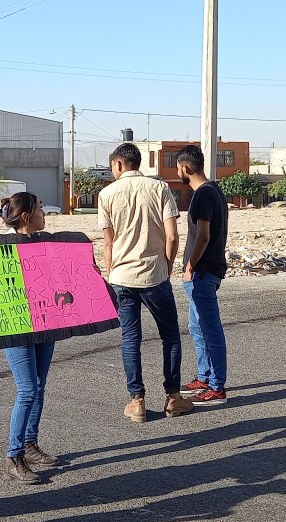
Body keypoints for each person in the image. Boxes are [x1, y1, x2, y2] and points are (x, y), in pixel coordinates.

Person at [0, 192, 60, 484]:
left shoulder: (45, 243)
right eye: (42, 207)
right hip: (15, 324)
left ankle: (30, 445)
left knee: (39, 386)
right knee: (28, 389)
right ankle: (13, 455)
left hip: (44, 321)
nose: (45, 213)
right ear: (28, 215)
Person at [98, 142, 193, 422]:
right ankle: (173, 397)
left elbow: (107, 242)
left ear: (118, 164)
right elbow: (173, 236)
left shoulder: (106, 194)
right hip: (154, 273)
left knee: (131, 339)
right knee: (170, 336)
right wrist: (168, 264)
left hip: (122, 276)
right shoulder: (160, 188)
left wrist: (112, 269)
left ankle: (137, 400)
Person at [175, 144, 229, 406]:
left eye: (178, 168)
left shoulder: (203, 195)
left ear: (185, 168)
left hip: (203, 272)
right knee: (197, 327)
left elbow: (204, 235)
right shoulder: (214, 190)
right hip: (207, 270)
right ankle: (204, 377)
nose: (178, 173)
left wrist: (190, 266)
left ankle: (217, 387)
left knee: (209, 329)